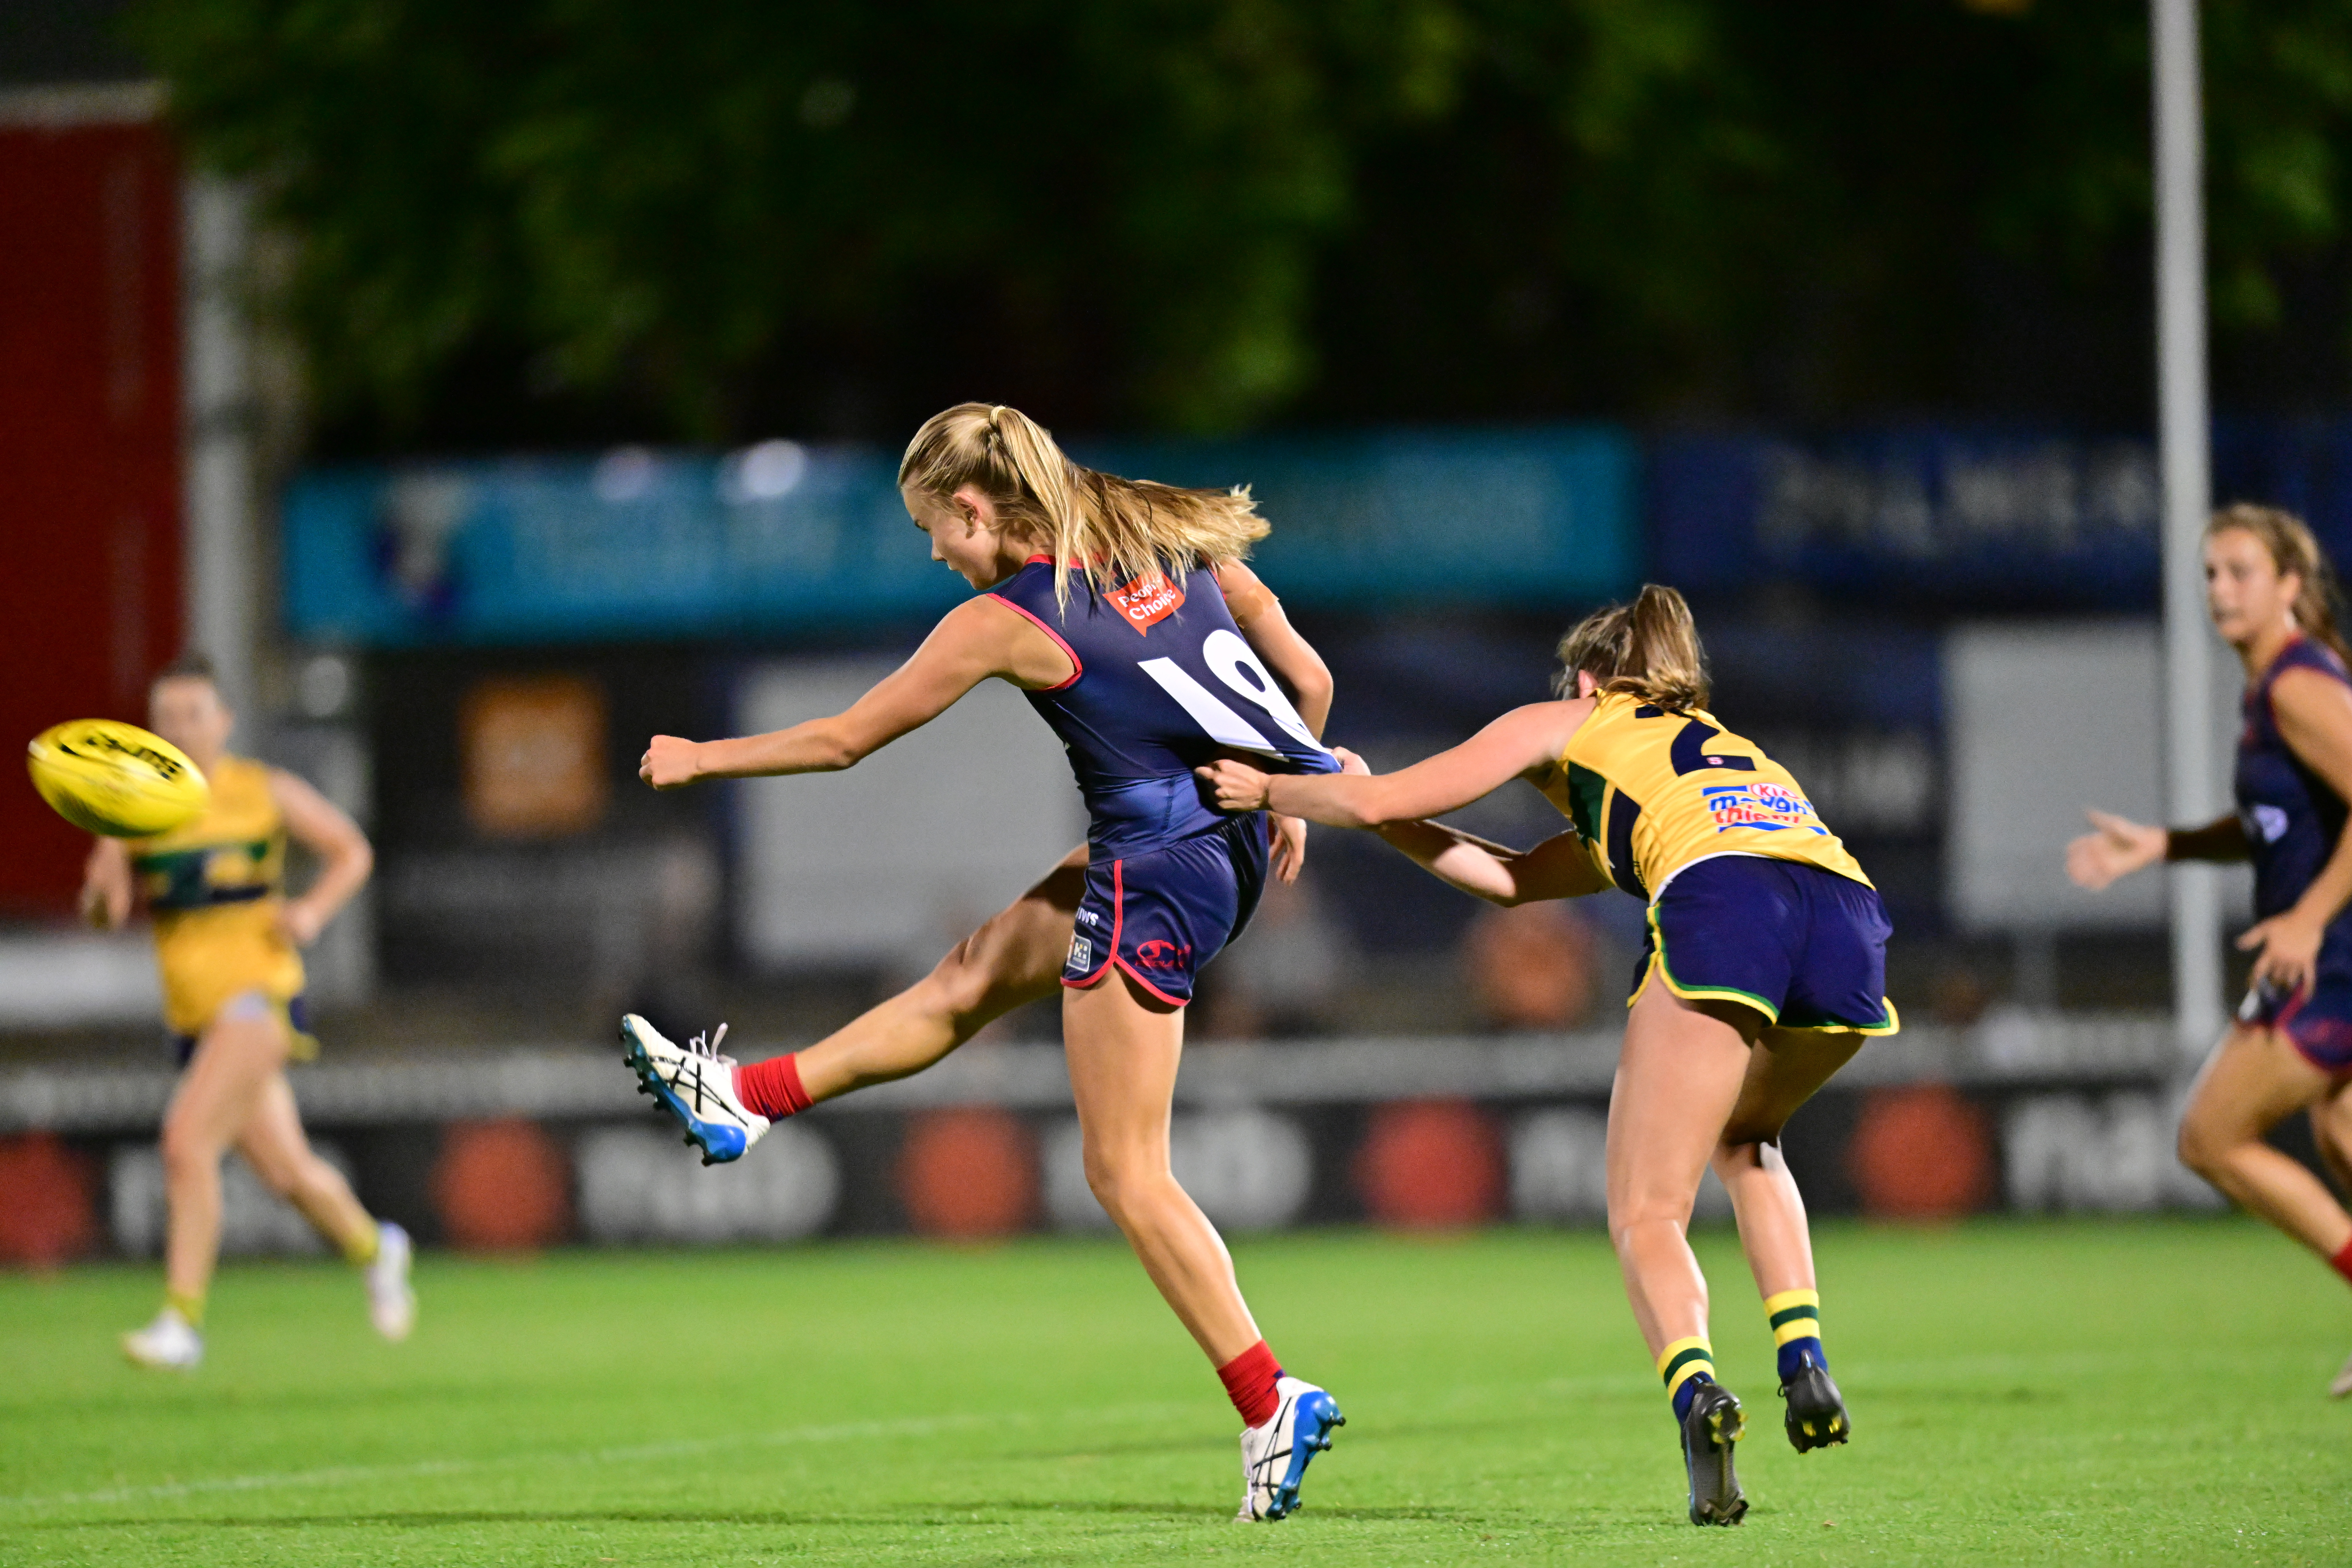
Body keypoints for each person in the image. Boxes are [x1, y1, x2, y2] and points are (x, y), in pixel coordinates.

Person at [621, 403, 1347, 1522]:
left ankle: (1268, 1398)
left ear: (975, 506)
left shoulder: (1012, 616)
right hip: (1228, 845)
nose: (935, 554)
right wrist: (1291, 786)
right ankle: (742, 1098)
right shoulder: (1158, 527)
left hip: (1149, 873)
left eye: (934, 529)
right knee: (975, 971)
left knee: (1125, 1171)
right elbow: (1305, 673)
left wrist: (702, 756)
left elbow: (844, 739)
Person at [1199, 584, 1894, 1527]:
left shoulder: (1566, 718)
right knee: (1748, 1140)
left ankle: (1697, 1399)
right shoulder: (1706, 747)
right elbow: (1517, 879)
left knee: (1645, 1207)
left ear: (1585, 678)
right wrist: (1373, 808)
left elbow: (1387, 796)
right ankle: (1801, 1357)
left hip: (1724, 898)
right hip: (1845, 913)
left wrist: (1277, 788)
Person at [2068, 504, 2352, 1397]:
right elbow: (2281, 821)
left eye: (2240, 572)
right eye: (2211, 573)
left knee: (2210, 1134)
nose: (2221, 590)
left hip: (2331, 953)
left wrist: (2307, 918)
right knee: (2339, 1127)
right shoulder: (2274, 682)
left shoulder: (2298, 685)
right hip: (2328, 946)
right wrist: (2169, 845)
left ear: (2291, 587)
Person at [80, 654, 414, 1370]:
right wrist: (104, 883)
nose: (179, 728)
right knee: (289, 1175)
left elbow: (351, 851)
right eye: (165, 718)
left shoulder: (262, 792)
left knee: (185, 1144)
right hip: (195, 1017)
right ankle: (376, 1248)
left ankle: (184, 1321)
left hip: (258, 997)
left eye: (193, 713)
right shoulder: (134, 811)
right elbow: (104, 913)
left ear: (224, 721)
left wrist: (312, 913)